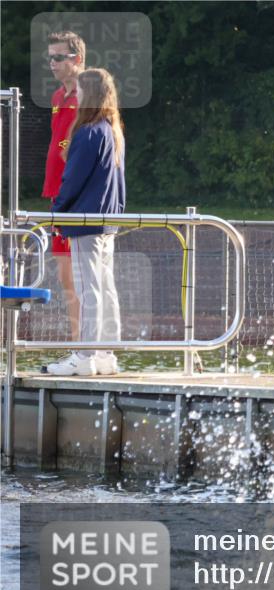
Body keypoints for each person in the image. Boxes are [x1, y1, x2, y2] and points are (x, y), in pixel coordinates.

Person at [45, 68, 125, 377]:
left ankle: (85, 355)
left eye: (78, 91)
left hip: (86, 221)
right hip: (107, 221)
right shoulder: (112, 131)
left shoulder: (88, 132)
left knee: (89, 288)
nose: (74, 97)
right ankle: (106, 353)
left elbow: (72, 179)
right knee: (105, 287)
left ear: (88, 94)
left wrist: (58, 212)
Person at [42, 30, 85, 342]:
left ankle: (84, 343)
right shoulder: (59, 96)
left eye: (58, 57)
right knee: (64, 274)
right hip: (56, 193)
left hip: (76, 194)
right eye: (50, 58)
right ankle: (77, 341)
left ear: (77, 59)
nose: (52, 63)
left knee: (78, 275)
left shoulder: (89, 94)